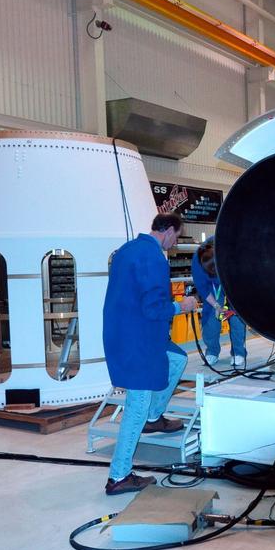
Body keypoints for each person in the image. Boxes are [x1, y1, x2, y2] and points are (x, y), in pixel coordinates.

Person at [101, 212, 199, 495]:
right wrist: (184, 305)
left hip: (126, 333)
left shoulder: (128, 250)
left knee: (177, 358)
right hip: (138, 341)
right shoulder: (154, 257)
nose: (175, 243)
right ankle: (119, 476)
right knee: (136, 406)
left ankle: (155, 417)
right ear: (168, 230)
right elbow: (154, 308)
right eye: (177, 237)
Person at [191, 237, 247, 370]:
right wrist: (216, 305)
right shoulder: (197, 262)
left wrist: (233, 305)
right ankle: (212, 351)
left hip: (234, 282)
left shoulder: (233, 252)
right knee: (211, 317)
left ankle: (238, 352)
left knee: (236, 317)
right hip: (212, 288)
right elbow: (203, 288)